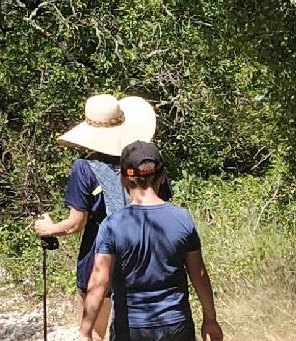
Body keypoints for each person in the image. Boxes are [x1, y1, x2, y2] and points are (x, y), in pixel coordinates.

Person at [33, 94, 162, 341]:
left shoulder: (84, 168)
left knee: (92, 332)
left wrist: (48, 229)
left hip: (98, 256)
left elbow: (75, 224)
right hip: (143, 253)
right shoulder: (146, 162)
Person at [81, 141, 223, 341]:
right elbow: (198, 275)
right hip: (176, 325)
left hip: (131, 328)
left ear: (122, 179)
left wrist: (85, 331)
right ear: (162, 176)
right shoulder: (182, 219)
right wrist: (210, 319)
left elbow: (100, 282)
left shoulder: (112, 225)